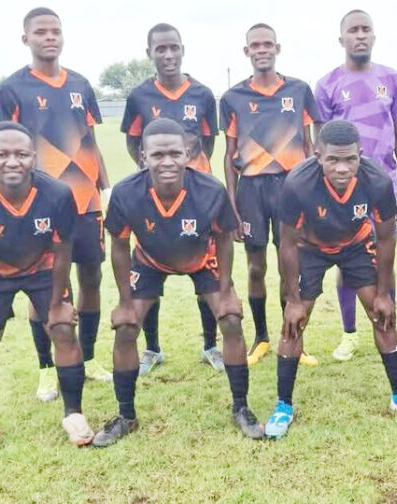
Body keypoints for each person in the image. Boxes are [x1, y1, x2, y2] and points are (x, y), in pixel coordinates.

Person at [94, 119, 264, 446]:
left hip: (201, 258)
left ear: (188, 154)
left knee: (230, 319)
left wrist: (226, 288)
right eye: (158, 155)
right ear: (143, 156)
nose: (167, 162)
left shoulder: (211, 190)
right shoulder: (127, 192)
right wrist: (124, 301)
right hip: (149, 259)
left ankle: (241, 407)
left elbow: (224, 238)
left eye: (175, 153)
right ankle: (126, 415)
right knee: (126, 326)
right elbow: (119, 246)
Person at [264, 120, 397, 439]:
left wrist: (384, 293)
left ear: (360, 155)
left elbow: (387, 238)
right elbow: (287, 243)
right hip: (310, 248)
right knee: (294, 321)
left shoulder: (377, 180)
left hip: (356, 244)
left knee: (382, 314)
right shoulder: (297, 183)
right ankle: (283, 405)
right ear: (318, 155)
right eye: (333, 160)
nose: (342, 168)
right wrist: (293, 300)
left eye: (350, 159)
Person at [0, 121, 94, 460]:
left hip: (44, 269)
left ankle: (73, 414)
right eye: (2, 154)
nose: (12, 161)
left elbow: (63, 252)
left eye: (21, 154)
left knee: (62, 328)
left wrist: (57, 304)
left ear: (34, 157)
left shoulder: (57, 194)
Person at [0, 7, 113, 402]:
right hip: (41, 206)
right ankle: (47, 368)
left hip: (86, 201)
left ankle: (89, 356)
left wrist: (106, 188)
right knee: (44, 285)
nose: (50, 37)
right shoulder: (13, 88)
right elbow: (5, 147)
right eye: (41, 32)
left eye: (55, 31)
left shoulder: (80, 83)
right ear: (25, 39)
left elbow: (91, 140)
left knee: (91, 277)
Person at [315, 9, 397, 361]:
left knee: (385, 258)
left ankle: (390, 329)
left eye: (366, 29)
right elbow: (320, 145)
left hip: (382, 186)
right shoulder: (327, 84)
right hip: (342, 190)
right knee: (347, 261)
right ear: (341, 38)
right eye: (353, 30)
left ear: (374, 36)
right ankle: (350, 334)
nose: (360, 35)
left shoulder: (392, 78)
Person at [120, 23, 220, 375]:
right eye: (160, 49)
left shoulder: (203, 94)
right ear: (149, 53)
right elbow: (133, 141)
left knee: (206, 268)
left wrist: (193, 176)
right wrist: (151, 173)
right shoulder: (139, 96)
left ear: (182, 49)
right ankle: (152, 349)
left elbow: (207, 142)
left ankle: (211, 345)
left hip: (197, 198)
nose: (168, 54)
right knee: (150, 270)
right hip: (154, 198)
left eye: (173, 47)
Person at [220, 23, 319, 367]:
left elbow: (309, 146)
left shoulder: (299, 90)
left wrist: (312, 192)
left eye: (267, 44)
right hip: (252, 190)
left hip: (292, 187)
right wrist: (231, 203)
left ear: (277, 48)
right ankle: (261, 338)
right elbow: (229, 154)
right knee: (256, 267)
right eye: (255, 45)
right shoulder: (233, 98)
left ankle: (292, 340)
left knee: (291, 267)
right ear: (246, 51)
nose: (261, 50)